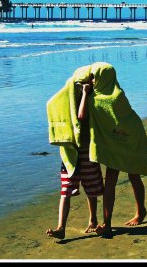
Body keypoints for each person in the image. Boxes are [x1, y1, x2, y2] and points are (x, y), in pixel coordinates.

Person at [85, 62, 147, 236]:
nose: (91, 80)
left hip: (130, 137)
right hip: (113, 141)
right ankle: (107, 223)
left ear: (104, 78)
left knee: (134, 175)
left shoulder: (117, 95)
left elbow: (123, 118)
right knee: (111, 181)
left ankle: (141, 211)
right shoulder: (93, 97)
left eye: (94, 77)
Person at [46, 73, 104, 240]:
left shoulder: (92, 98)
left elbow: (81, 116)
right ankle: (61, 227)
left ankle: (93, 220)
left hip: (86, 148)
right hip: (70, 150)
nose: (82, 87)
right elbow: (51, 104)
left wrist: (86, 94)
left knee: (91, 187)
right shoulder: (67, 101)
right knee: (66, 190)